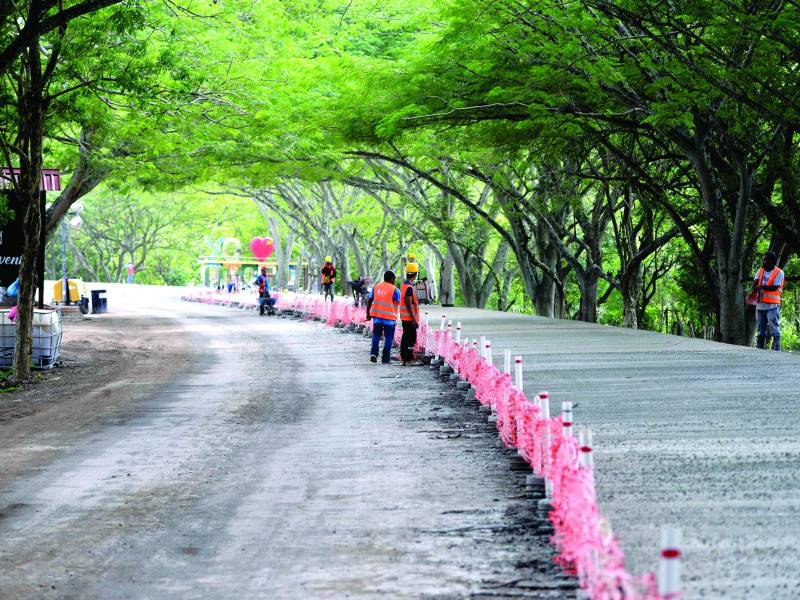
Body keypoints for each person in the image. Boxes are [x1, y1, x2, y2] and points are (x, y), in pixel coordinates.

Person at [752, 251, 785, 351]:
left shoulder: (779, 272)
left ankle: (776, 351)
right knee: (761, 328)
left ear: (771, 261)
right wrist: (753, 290)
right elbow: (755, 282)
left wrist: (761, 287)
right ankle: (760, 350)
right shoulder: (760, 270)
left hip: (772, 305)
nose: (763, 262)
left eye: (765, 260)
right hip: (760, 304)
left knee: (773, 326)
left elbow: (774, 287)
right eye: (763, 260)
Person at [366, 270, 400, 364]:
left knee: (376, 336)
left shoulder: (376, 287)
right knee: (389, 338)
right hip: (389, 319)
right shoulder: (395, 290)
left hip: (377, 317)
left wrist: (368, 314)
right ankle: (385, 358)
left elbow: (369, 300)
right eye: (394, 278)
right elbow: (397, 302)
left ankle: (374, 353)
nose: (395, 280)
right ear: (391, 278)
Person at [400, 262, 423, 366]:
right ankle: (408, 358)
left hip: (405, 318)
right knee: (411, 338)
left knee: (406, 337)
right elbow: (408, 303)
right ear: (415, 274)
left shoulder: (404, 285)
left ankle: (405, 359)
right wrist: (414, 319)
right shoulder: (409, 287)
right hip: (409, 319)